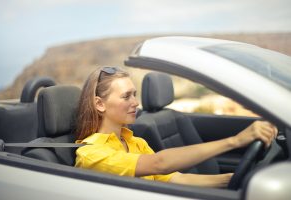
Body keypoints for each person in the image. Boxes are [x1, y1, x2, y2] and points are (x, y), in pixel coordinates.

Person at [75, 66, 277, 188]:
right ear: (100, 104)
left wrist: (236, 179)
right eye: (126, 96)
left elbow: (175, 179)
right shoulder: (91, 153)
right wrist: (235, 141)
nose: (136, 103)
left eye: (134, 94)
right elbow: (158, 164)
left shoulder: (135, 142)